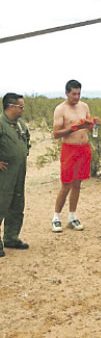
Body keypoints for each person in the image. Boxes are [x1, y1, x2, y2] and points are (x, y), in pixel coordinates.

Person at [51, 80, 100, 233]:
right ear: (67, 93)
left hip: (84, 148)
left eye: (79, 93)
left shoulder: (84, 106)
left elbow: (90, 127)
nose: (77, 97)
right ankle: (56, 217)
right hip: (69, 149)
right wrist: (73, 128)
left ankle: (72, 216)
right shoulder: (60, 109)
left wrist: (93, 124)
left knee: (77, 184)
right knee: (66, 184)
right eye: (74, 94)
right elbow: (56, 133)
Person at [0, 93, 31, 257]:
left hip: (19, 172)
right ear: (11, 106)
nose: (22, 110)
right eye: (21, 106)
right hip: (4, 175)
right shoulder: (1, 124)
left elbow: (27, 141)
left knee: (16, 204)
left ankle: (11, 237)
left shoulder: (19, 124)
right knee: (1, 204)